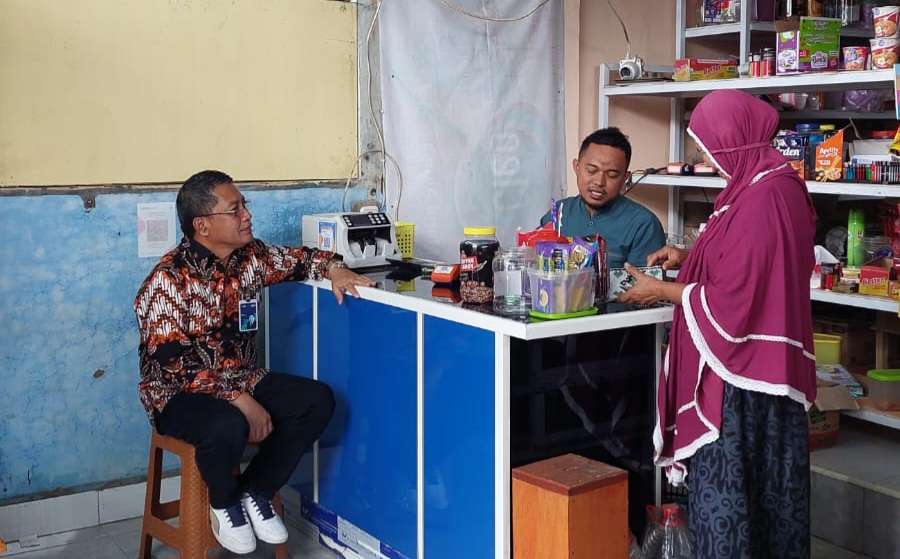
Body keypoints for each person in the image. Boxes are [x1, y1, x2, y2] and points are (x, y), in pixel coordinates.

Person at [619, 90, 818, 559]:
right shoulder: (762, 184)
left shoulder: (765, 197)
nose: (705, 157)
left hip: (742, 382)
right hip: (762, 376)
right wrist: (689, 257)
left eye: (708, 146)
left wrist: (661, 290)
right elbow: (750, 260)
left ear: (734, 140)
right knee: (767, 499)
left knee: (732, 500)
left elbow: (736, 298)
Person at [134, 170, 375, 555]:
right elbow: (172, 364)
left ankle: (255, 491)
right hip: (175, 394)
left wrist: (334, 268)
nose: (246, 215)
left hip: (243, 376)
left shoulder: (252, 258)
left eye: (244, 205)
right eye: (235, 209)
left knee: (316, 400)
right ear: (203, 226)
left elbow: (301, 260)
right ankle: (224, 503)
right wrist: (240, 398)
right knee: (229, 422)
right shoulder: (167, 281)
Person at [539, 127, 666, 270]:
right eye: (592, 170)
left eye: (612, 175)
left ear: (625, 177)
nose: (599, 182)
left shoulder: (643, 225)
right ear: (577, 167)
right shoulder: (558, 213)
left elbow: (645, 284)